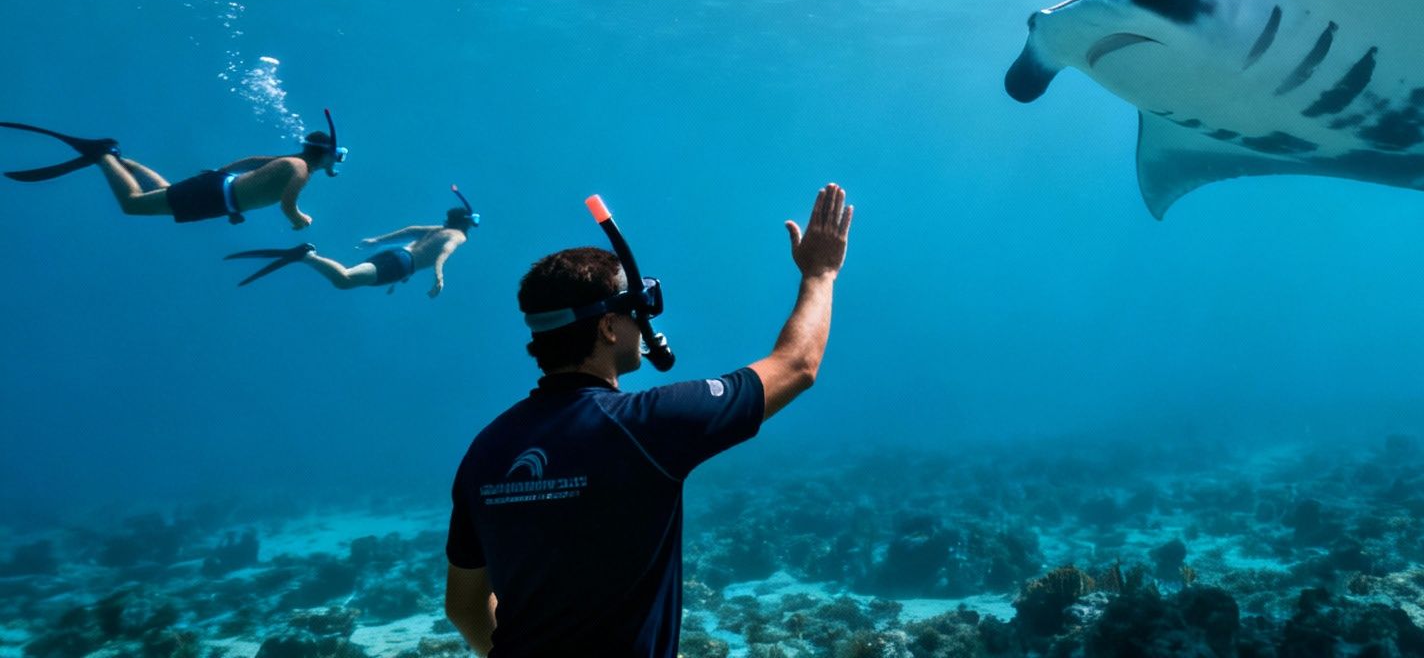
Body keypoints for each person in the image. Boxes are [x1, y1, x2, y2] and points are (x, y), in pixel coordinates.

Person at [442, 183, 853, 658]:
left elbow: (464, 606)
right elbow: (797, 365)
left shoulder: (486, 450)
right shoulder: (649, 425)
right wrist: (820, 274)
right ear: (608, 326)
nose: (645, 322)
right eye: (637, 308)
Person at [0, 113, 345, 228]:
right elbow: (287, 205)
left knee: (163, 192)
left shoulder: (290, 160)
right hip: (215, 194)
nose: (337, 163)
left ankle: (122, 161)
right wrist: (301, 220)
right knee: (133, 204)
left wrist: (223, 179)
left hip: (218, 193)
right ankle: (104, 156)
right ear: (326, 155)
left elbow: (252, 162)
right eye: (337, 157)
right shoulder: (300, 170)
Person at [227, 187, 478, 296]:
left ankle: (306, 257)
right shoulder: (458, 235)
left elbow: (411, 230)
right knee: (344, 280)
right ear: (467, 223)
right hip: (402, 264)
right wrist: (439, 275)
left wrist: (377, 240)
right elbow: (444, 252)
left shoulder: (439, 228)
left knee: (346, 279)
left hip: (395, 255)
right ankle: (306, 255)